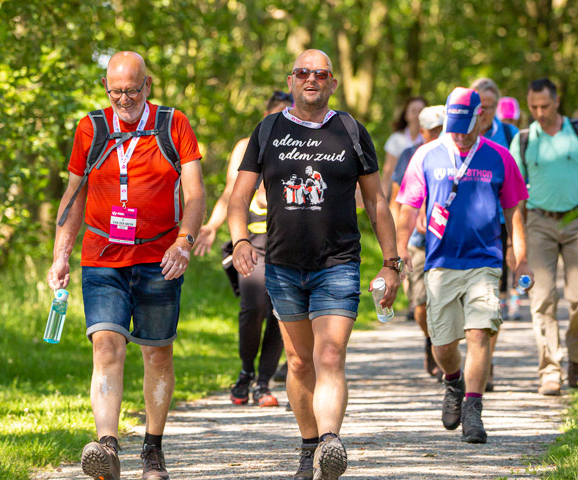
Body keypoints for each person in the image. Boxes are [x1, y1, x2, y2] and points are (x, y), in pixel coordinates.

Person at [227, 49, 400, 480]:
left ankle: (329, 443)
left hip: (337, 263)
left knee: (329, 353)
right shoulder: (267, 130)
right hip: (283, 264)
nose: (311, 79)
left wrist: (391, 262)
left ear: (332, 83)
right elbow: (237, 197)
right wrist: (241, 239)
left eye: (320, 74)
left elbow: (377, 201)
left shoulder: (350, 130)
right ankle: (309, 447)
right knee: (299, 361)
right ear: (290, 80)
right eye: (303, 73)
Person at [47, 51, 205, 480]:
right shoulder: (91, 128)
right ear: (105, 87)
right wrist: (61, 252)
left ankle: (152, 450)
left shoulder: (174, 124)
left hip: (159, 257)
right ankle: (107, 446)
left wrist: (185, 242)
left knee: (157, 353)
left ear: (148, 85)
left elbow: (195, 193)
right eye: (116, 91)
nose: (124, 99)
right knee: (106, 346)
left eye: (132, 90)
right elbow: (74, 195)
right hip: (102, 257)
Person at [396, 87, 531, 443]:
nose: (457, 132)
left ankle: (473, 410)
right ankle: (453, 381)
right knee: (442, 343)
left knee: (478, 332)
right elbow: (408, 208)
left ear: (480, 118)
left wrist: (521, 256)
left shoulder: (500, 157)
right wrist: (398, 253)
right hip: (441, 262)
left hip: (485, 260)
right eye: (452, 125)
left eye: (463, 125)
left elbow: (515, 209)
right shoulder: (426, 155)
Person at [193, 92, 294, 407]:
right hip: (252, 241)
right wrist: (211, 226)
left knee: (280, 312)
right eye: (276, 113)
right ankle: (246, 371)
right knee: (253, 308)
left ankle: (263, 382)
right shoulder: (247, 145)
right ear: (266, 114)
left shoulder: (299, 146)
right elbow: (230, 192)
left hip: (287, 243)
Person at [509, 78, 578, 396]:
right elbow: (514, 198)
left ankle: (577, 358)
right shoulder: (524, 140)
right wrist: (515, 244)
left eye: (545, 106)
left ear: (557, 101)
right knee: (542, 298)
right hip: (538, 222)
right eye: (533, 106)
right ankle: (550, 369)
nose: (539, 112)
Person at [469, 78, 521, 393]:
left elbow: (518, 189)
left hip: (498, 225)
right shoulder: (458, 132)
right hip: (461, 225)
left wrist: (516, 239)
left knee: (492, 298)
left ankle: (484, 362)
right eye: (479, 107)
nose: (483, 112)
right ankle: (473, 358)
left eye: (488, 107)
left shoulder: (511, 136)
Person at [389, 105, 445, 379]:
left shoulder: (456, 155)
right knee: (420, 305)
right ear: (421, 131)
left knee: (447, 303)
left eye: (441, 129)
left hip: (449, 242)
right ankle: (433, 340)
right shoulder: (410, 155)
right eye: (433, 130)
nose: (438, 135)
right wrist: (393, 246)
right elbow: (397, 199)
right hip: (418, 240)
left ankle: (445, 347)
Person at [380, 96, 427, 197]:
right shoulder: (396, 139)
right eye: (413, 111)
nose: (417, 115)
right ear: (406, 115)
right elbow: (388, 174)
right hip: (399, 194)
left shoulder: (430, 140)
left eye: (421, 111)